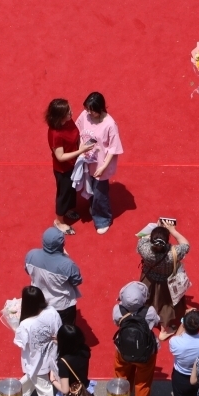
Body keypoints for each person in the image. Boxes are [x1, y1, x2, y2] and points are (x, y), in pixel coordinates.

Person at [112, 281, 160, 396]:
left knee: (121, 378)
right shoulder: (149, 311)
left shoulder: (117, 310)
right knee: (143, 382)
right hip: (145, 353)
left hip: (123, 350)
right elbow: (156, 322)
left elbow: (116, 323)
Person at [15, 286, 62, 396]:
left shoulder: (25, 324)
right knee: (35, 378)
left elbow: (21, 343)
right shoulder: (52, 312)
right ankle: (24, 392)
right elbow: (59, 332)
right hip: (52, 355)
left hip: (36, 362)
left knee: (45, 392)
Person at [76, 91, 123, 234]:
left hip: (101, 165)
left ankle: (103, 219)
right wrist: (81, 149)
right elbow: (78, 132)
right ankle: (93, 207)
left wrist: (103, 167)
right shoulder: (85, 115)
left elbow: (113, 149)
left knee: (100, 193)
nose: (89, 113)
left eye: (92, 110)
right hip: (87, 161)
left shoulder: (110, 124)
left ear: (100, 108)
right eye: (87, 109)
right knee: (89, 187)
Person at [45, 98, 93, 233]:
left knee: (72, 190)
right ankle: (59, 221)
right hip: (63, 169)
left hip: (74, 163)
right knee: (64, 194)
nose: (71, 113)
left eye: (70, 109)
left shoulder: (68, 122)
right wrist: (81, 151)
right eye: (68, 112)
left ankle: (68, 210)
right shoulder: (55, 134)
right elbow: (60, 157)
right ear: (60, 116)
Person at [138, 220, 191, 341]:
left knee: (148, 299)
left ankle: (147, 317)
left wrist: (156, 229)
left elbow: (142, 237)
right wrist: (172, 230)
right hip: (166, 283)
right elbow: (186, 245)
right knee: (166, 305)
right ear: (167, 241)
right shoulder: (173, 253)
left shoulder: (144, 249)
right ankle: (164, 330)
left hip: (148, 279)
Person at [25, 227, 83, 325]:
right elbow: (77, 281)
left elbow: (28, 271)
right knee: (65, 330)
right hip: (61, 306)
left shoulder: (31, 255)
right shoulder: (67, 265)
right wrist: (65, 258)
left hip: (40, 302)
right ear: (62, 244)